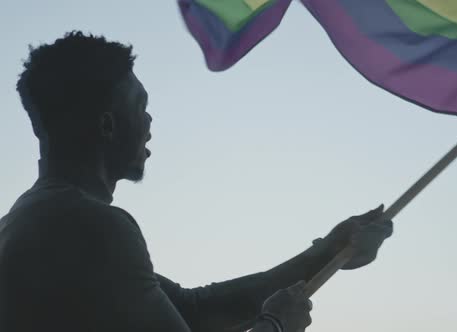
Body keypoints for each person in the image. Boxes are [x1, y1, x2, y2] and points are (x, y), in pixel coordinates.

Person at [0, 31, 394, 332]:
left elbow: (194, 310)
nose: (150, 121)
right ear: (107, 124)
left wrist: (328, 252)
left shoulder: (37, 218)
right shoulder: (91, 225)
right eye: (141, 106)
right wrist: (276, 326)